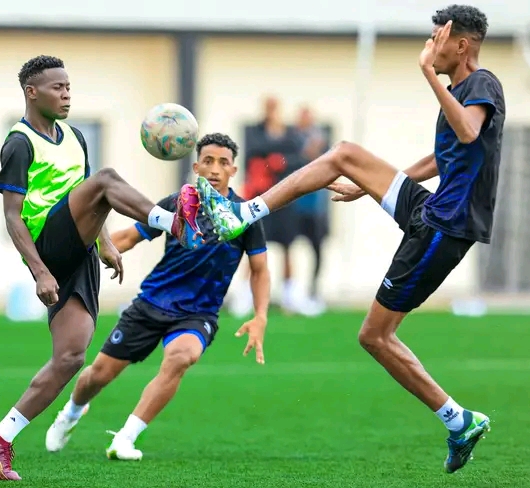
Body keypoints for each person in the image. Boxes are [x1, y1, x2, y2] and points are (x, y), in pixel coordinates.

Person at [198, 5, 503, 474]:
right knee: (344, 155)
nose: (429, 48)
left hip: (445, 229)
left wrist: (428, 73)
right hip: (430, 210)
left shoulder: (482, 84)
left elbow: (468, 131)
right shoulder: (460, 92)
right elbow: (444, 157)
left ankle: (459, 420)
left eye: (436, 40)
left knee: (374, 336)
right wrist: (371, 184)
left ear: (461, 45)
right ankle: (246, 212)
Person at [0, 55, 204, 481]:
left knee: (70, 357)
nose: (66, 95)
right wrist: (40, 271)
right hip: (48, 244)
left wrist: (105, 242)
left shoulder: (75, 136)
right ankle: (173, 221)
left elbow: (87, 197)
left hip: (78, 252)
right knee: (107, 178)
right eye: (57, 88)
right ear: (31, 92)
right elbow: (12, 217)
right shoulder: (19, 143)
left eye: (68, 88)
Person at [44, 133, 270, 461]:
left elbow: (260, 270)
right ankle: (71, 412)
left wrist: (260, 315)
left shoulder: (244, 215)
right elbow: (127, 237)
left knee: (182, 356)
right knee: (99, 374)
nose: (215, 168)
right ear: (196, 166)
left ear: (234, 170)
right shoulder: (177, 203)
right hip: (151, 303)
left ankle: (125, 438)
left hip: (198, 313)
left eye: (223, 162)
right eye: (208, 161)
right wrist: (77, 255)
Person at [232, 97, 305, 315]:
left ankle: (290, 297)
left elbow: (298, 159)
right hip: (260, 198)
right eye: (268, 107)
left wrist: (279, 160)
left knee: (288, 246)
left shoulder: (289, 133)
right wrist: (273, 155)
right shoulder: (255, 131)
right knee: (254, 246)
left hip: (285, 198)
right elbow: (253, 151)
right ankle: (245, 296)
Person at [292, 106, 331, 316]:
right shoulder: (292, 140)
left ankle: (313, 291)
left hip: (316, 209)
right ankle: (291, 292)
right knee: (288, 248)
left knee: (317, 251)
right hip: (295, 206)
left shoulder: (321, 139)